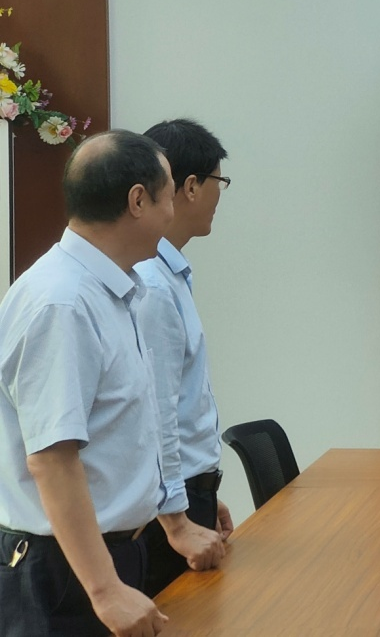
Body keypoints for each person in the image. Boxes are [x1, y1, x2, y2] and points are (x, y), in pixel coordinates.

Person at [0, 131, 222, 637]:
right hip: (67, 573)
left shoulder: (112, 290)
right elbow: (52, 459)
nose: (173, 211)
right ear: (138, 201)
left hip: (112, 553)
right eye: (168, 196)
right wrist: (104, 590)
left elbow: (126, 425)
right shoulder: (62, 302)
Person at [134, 119, 235, 596]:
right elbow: (157, 415)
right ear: (191, 186)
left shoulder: (168, 273)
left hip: (187, 492)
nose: (220, 195)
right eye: (220, 181)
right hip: (168, 509)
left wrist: (202, 494)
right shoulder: (152, 285)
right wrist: (177, 516)